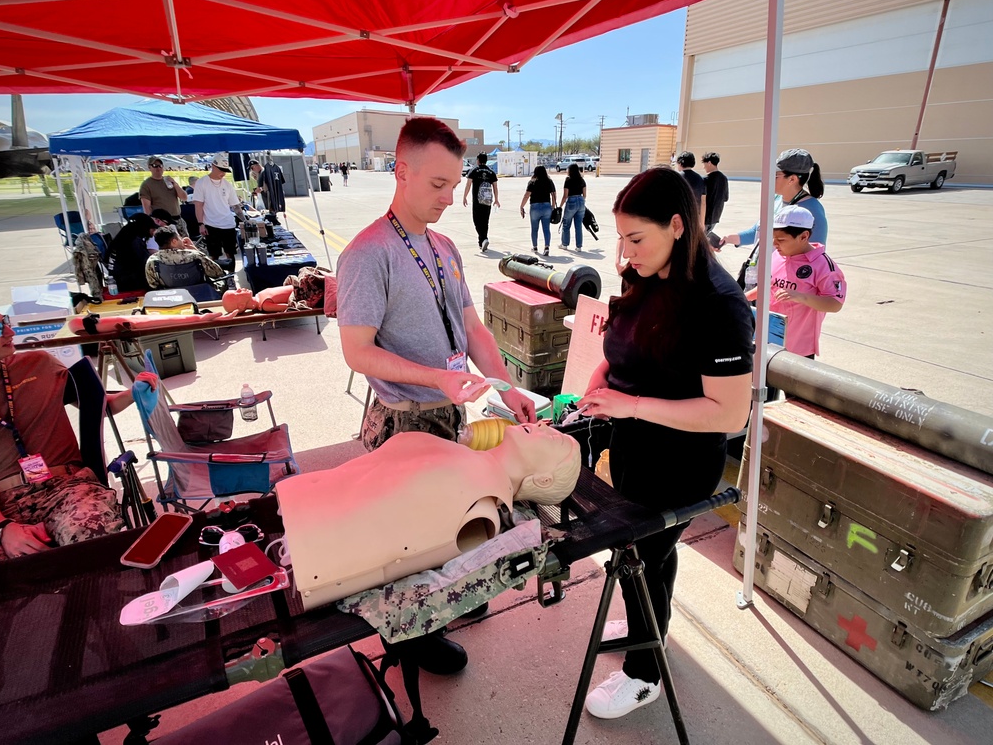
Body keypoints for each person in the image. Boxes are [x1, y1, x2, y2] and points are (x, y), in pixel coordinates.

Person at [337, 117, 537, 673]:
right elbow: (357, 351)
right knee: (408, 538)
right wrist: (437, 378)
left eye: (455, 185)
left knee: (450, 518)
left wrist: (507, 387)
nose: (451, 198)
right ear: (401, 172)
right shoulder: (368, 253)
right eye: (438, 185)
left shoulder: (444, 245)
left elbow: (473, 328)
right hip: (403, 420)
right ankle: (412, 639)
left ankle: (447, 600)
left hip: (448, 410)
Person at [579, 166, 753, 720]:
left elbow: (728, 412)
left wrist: (629, 405)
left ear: (678, 225)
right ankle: (646, 625)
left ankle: (643, 674)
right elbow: (623, 340)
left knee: (640, 553)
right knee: (647, 554)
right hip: (634, 448)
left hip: (680, 460)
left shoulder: (718, 304)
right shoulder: (647, 274)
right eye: (622, 239)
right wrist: (600, 376)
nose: (626, 253)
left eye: (636, 238)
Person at [280, 425, 580, 610]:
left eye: (552, 439)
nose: (542, 424)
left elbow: (388, 542)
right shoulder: (475, 467)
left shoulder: (481, 502)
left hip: (303, 546)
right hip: (299, 513)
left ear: (542, 480)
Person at [0, 307, 158, 561]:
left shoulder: (39, 364)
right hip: (2, 506)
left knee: (93, 533)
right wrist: (1, 529)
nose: (10, 331)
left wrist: (134, 393)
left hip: (64, 487)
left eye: (4, 321)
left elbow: (99, 406)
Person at [746, 205, 846, 358]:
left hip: (798, 350)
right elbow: (769, 286)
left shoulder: (824, 266)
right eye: (773, 238)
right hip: (766, 340)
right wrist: (744, 297)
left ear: (804, 236)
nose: (775, 244)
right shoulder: (778, 256)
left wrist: (801, 297)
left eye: (780, 240)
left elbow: (835, 304)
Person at [720, 148, 827, 251]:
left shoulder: (813, 209)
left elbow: (815, 252)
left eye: (775, 176)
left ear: (792, 179)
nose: (769, 179)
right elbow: (758, 231)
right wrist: (729, 239)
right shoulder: (776, 200)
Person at [193, 152, 244, 272]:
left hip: (228, 223)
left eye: (225, 170)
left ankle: (231, 276)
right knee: (214, 254)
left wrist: (245, 220)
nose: (223, 173)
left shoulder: (227, 184)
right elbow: (198, 205)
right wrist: (201, 224)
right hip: (211, 224)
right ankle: (215, 275)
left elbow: (235, 205)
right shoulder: (202, 183)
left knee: (230, 253)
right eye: (221, 170)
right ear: (213, 166)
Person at [145, 227, 228, 289]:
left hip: (173, 298)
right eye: (179, 237)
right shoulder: (195, 256)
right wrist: (195, 250)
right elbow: (218, 273)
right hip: (200, 294)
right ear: (174, 241)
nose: (182, 239)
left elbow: (153, 284)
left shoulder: (152, 261)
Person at [105, 213, 155, 293]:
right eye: (152, 229)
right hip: (128, 284)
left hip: (117, 282)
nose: (153, 233)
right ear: (144, 227)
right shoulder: (134, 241)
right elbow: (147, 263)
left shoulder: (122, 237)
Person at [139, 156, 188, 236]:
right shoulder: (146, 185)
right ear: (149, 167)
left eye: (160, 165)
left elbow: (184, 198)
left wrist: (175, 184)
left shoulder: (169, 181)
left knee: (185, 245)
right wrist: (154, 224)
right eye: (155, 166)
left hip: (177, 219)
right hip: (162, 222)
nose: (158, 168)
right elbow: (147, 208)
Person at [462, 152, 499, 252]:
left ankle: (483, 239)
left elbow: (468, 185)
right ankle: (483, 240)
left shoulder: (474, 170)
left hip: (477, 201)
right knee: (485, 221)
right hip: (487, 201)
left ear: (478, 160)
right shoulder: (491, 172)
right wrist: (496, 199)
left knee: (477, 221)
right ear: (486, 160)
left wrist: (464, 197)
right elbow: (495, 187)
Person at [519, 165, 557, 254]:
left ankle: (535, 247)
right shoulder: (549, 181)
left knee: (534, 229)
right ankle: (547, 247)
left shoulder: (532, 182)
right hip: (547, 206)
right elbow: (554, 195)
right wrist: (553, 206)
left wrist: (522, 206)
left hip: (535, 207)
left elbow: (527, 195)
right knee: (546, 229)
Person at [559, 163, 587, 252]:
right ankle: (579, 246)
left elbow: (565, 195)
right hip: (581, 201)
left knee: (566, 224)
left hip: (571, 201)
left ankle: (564, 244)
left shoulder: (568, 180)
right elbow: (585, 195)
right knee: (578, 226)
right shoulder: (582, 180)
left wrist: (560, 206)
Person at [675, 151, 706, 228]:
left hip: (678, 217)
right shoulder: (700, 179)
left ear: (680, 163)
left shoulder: (676, 177)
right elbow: (703, 202)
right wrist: (702, 223)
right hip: (693, 217)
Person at [701, 151, 729, 234]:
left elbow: (701, 200)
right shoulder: (724, 178)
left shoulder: (705, 180)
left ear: (709, 163)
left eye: (704, 164)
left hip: (704, 218)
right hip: (715, 217)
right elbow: (726, 198)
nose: (704, 167)